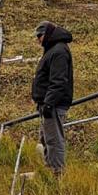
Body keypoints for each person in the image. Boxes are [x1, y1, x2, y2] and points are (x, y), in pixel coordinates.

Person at [31, 21, 73, 175]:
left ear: (47, 34)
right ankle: (50, 168)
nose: (38, 40)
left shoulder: (58, 52)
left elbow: (58, 81)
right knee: (47, 138)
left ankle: (56, 173)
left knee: (54, 140)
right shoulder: (53, 49)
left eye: (39, 36)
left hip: (54, 105)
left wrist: (49, 103)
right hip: (48, 103)